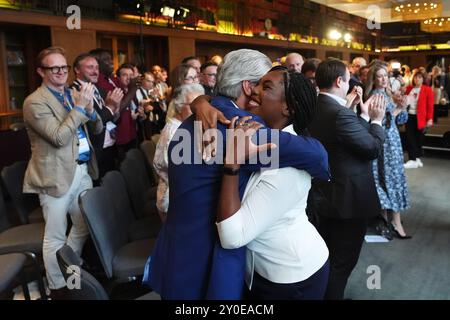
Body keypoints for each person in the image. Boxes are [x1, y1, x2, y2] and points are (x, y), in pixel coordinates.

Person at [145, 49, 330, 300]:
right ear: (248, 86)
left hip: (175, 250)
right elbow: (316, 156)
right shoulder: (239, 129)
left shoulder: (190, 123)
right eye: (263, 84)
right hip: (206, 263)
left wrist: (201, 101)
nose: (258, 93)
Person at [216, 68, 329, 300]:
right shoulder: (269, 143)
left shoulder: (287, 168)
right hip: (270, 271)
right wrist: (202, 101)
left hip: (292, 276)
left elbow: (231, 236)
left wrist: (232, 164)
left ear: (288, 108)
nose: (253, 90)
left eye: (266, 87)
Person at [22, 46, 103, 299]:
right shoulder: (34, 102)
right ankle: (57, 289)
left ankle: (70, 272)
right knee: (55, 236)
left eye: (63, 67)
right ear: (40, 71)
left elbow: (98, 127)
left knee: (83, 225)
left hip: (82, 171)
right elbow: (58, 137)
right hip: (55, 176)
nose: (60, 72)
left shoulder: (72, 93)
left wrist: (88, 108)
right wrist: (79, 109)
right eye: (53, 68)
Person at [308, 58, 386, 300]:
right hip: (347, 202)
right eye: (347, 78)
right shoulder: (339, 114)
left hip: (323, 195)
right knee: (342, 262)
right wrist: (376, 120)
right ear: (339, 81)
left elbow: (347, 141)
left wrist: (358, 116)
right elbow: (372, 148)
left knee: (327, 256)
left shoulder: (314, 107)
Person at [365, 61, 411, 239]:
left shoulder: (389, 94)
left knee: (389, 177)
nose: (384, 79)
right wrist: (398, 109)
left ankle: (386, 219)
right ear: (373, 79)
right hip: (383, 142)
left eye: (386, 76)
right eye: (380, 76)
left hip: (393, 142)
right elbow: (379, 122)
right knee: (388, 178)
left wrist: (402, 106)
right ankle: (392, 221)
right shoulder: (376, 96)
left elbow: (401, 121)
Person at [153, 83, 205, 222]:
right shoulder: (173, 132)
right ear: (179, 106)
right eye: (193, 106)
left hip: (182, 193)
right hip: (173, 200)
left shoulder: (187, 126)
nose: (198, 110)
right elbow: (176, 172)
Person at [71, 53, 123, 180]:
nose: (95, 72)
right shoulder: (73, 92)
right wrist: (110, 107)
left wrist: (116, 110)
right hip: (94, 151)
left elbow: (112, 119)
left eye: (97, 68)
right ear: (77, 70)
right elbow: (92, 123)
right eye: (90, 67)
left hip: (110, 146)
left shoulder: (100, 90)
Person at [404, 69, 434, 169]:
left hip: (420, 117)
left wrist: (429, 119)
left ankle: (416, 158)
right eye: (416, 77)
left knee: (419, 138)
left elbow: (430, 106)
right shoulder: (409, 88)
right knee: (409, 137)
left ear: (423, 79)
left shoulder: (427, 89)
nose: (417, 79)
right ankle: (412, 159)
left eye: (420, 77)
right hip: (409, 116)